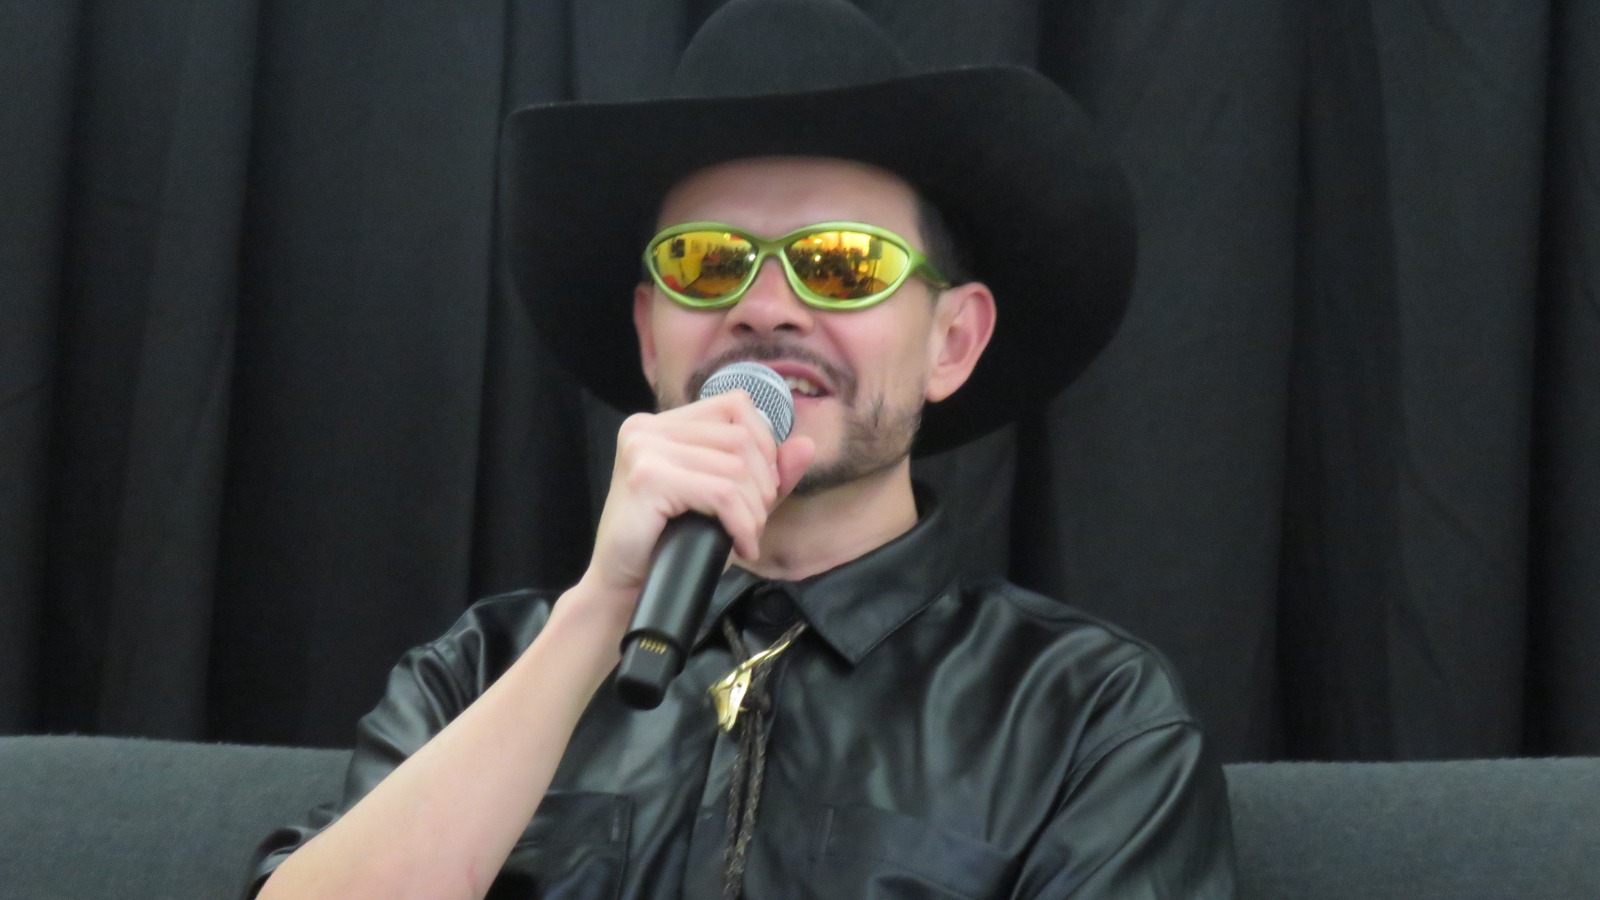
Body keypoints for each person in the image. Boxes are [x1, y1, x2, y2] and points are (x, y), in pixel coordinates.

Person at [250, 1, 1237, 897]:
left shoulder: (1084, 712)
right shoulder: (480, 671)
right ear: (651, 335)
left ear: (952, 342)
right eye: (707, 263)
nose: (764, 309)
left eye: (841, 264)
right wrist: (601, 614)